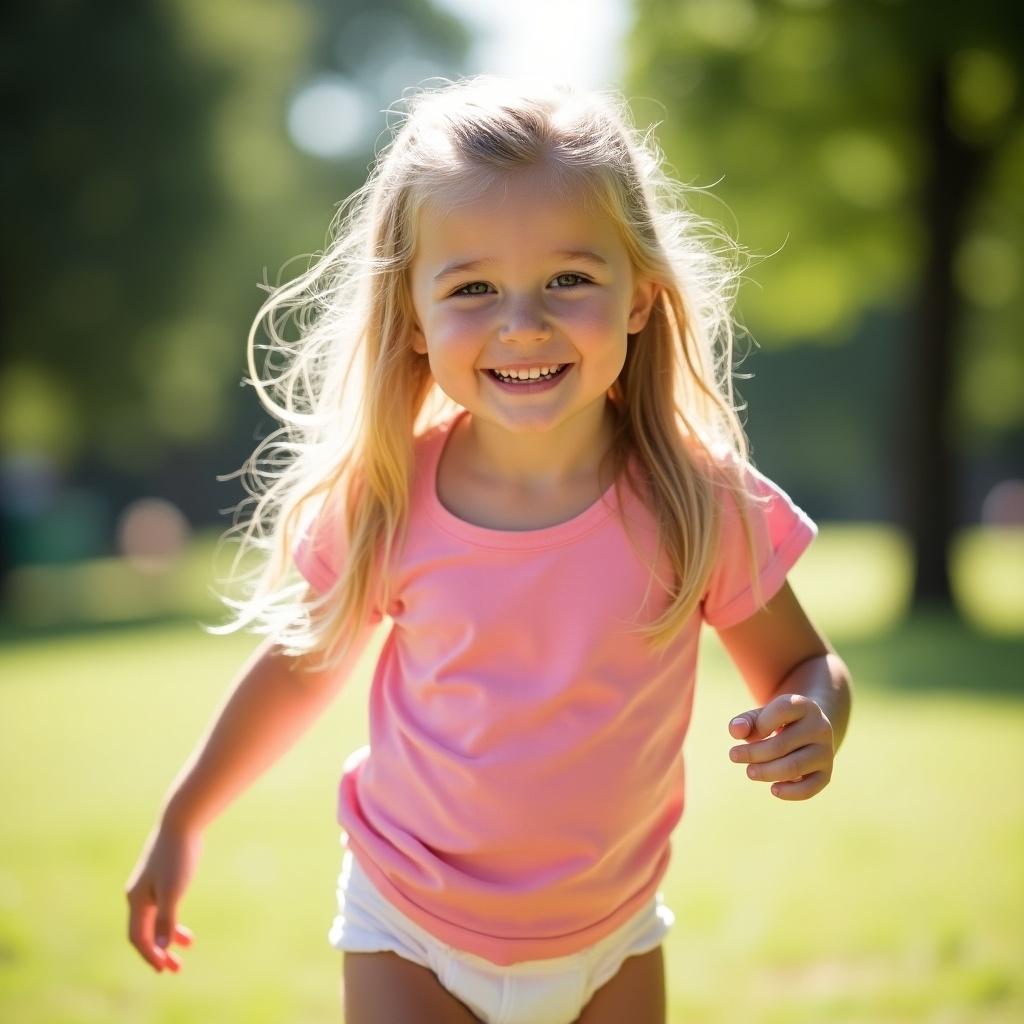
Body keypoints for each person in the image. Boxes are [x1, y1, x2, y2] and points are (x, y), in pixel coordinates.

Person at [124, 75, 853, 1024]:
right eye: (473, 288)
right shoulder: (390, 499)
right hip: (409, 927)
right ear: (414, 320)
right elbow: (301, 671)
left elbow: (802, 662)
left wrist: (813, 714)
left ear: (639, 295)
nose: (523, 322)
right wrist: (185, 817)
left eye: (569, 279)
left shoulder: (696, 499)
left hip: (614, 934)